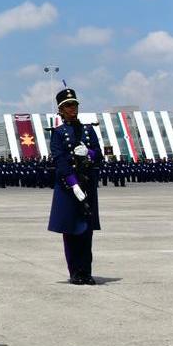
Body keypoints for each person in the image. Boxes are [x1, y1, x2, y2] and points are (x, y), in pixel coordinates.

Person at [47, 87, 102, 285]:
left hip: (87, 184)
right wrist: (74, 185)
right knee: (71, 230)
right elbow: (60, 161)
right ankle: (75, 272)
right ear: (61, 110)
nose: (73, 108)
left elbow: (99, 155)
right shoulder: (58, 133)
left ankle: (86, 271)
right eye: (68, 106)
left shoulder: (88, 130)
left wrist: (89, 153)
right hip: (68, 187)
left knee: (87, 231)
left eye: (74, 105)